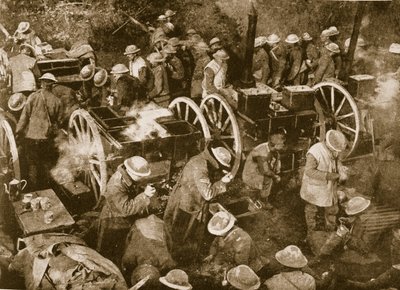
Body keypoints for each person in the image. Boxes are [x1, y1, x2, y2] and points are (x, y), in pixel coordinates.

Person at [163, 145, 233, 262]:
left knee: (176, 231)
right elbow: (208, 194)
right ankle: (178, 260)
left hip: (184, 198)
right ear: (216, 160)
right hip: (186, 205)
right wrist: (222, 182)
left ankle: (178, 255)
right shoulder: (201, 167)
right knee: (180, 233)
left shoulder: (200, 159)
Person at [97, 156, 157, 263]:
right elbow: (126, 209)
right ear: (130, 171)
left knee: (123, 247)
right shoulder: (116, 185)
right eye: (140, 176)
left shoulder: (127, 176)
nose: (142, 178)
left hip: (122, 219)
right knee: (109, 252)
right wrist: (145, 195)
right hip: (113, 221)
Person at [16, 73, 62, 190]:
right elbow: (59, 120)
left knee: (33, 164)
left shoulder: (33, 97)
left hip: (31, 137)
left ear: (42, 83)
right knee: (47, 163)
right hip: (47, 138)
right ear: (52, 85)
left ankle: (35, 189)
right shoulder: (57, 101)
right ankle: (49, 188)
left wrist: (19, 132)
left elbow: (24, 117)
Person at [300, 130, 348, 234]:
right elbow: (309, 171)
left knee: (332, 208)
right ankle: (311, 231)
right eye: (335, 149)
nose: (337, 152)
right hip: (314, 187)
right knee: (311, 208)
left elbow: (337, 159)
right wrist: (329, 175)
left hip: (328, 186)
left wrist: (340, 167)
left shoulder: (334, 149)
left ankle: (330, 229)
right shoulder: (315, 152)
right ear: (328, 143)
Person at [203, 211, 268, 280]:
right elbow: (215, 243)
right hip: (231, 255)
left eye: (218, 233)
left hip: (248, 262)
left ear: (225, 230)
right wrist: (211, 255)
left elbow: (241, 263)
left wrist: (225, 268)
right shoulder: (223, 234)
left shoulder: (242, 240)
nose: (217, 235)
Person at [242, 130, 286, 209]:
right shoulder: (262, 153)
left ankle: (263, 197)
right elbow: (265, 171)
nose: (284, 145)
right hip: (251, 175)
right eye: (282, 143)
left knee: (271, 176)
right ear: (275, 145)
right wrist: (276, 176)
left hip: (259, 170)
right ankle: (260, 202)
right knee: (268, 179)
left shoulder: (269, 147)